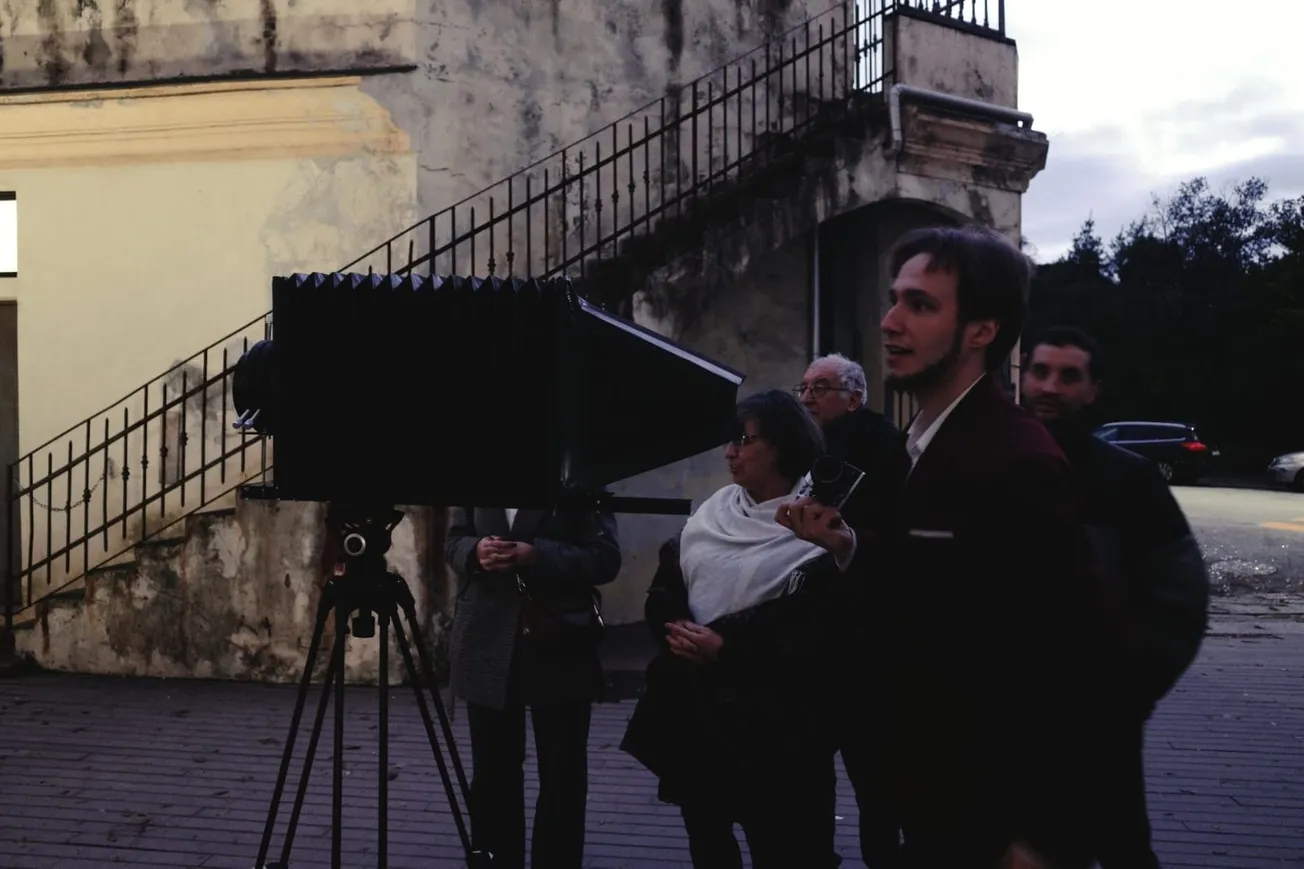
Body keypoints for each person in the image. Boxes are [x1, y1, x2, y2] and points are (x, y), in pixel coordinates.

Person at [780, 224, 1113, 868]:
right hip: (930, 800)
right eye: (894, 299)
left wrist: (1037, 835)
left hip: (982, 821)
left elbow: (1069, 658)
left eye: (921, 304)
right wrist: (850, 548)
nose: (890, 322)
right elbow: (943, 591)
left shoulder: (1015, 460)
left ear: (982, 330)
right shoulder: (926, 441)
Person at [620, 388, 849, 869]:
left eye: (743, 441)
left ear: (781, 446)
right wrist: (678, 630)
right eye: (729, 441)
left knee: (786, 850)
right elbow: (668, 584)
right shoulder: (715, 512)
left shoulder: (819, 525)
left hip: (779, 733)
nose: (730, 452)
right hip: (701, 719)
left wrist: (727, 647)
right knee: (709, 844)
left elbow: (816, 627)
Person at [1022, 325, 1210, 869]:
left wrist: (1129, 693)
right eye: (1040, 371)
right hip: (1003, 723)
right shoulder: (993, 467)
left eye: (1068, 375)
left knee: (1120, 844)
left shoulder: (1128, 480)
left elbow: (1180, 596)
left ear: (1093, 390)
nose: (1050, 386)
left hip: (1098, 720)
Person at [444, 498, 621, 869]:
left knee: (562, 775)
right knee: (492, 774)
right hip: (485, 638)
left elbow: (605, 557)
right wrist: (475, 552)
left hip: (559, 639)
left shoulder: (577, 476)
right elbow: (454, 541)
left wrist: (537, 554)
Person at [795, 353, 911, 868]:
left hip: (867, 637)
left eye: (820, 388)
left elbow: (897, 534)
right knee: (811, 774)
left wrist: (847, 542)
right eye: (803, 388)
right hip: (810, 637)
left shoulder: (883, 447)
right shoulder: (801, 445)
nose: (807, 398)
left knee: (874, 780)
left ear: (855, 398)